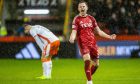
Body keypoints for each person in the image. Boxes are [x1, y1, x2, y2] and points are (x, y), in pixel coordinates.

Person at [69, 1, 116, 84]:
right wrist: (72, 38)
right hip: (83, 43)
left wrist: (109, 36)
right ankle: (90, 81)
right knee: (87, 60)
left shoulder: (91, 18)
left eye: (83, 6)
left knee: (96, 65)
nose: (82, 8)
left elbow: (99, 31)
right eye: (80, 7)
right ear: (78, 9)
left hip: (93, 43)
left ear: (87, 8)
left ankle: (88, 78)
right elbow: (74, 31)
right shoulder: (76, 19)